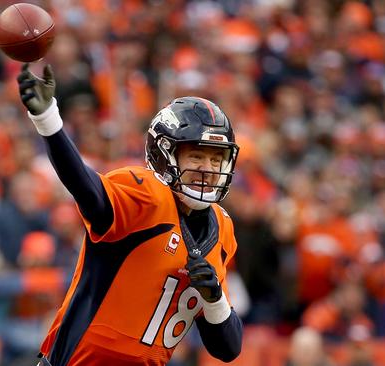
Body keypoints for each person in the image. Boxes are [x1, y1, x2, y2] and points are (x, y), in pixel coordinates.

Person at [16, 63, 242, 365]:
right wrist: (48, 120)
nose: (208, 169)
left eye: (217, 159)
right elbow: (87, 189)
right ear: (165, 155)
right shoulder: (147, 195)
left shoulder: (222, 229)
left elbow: (228, 349)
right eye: (197, 155)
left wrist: (214, 300)